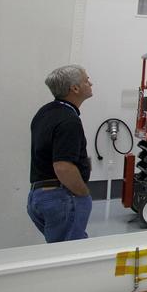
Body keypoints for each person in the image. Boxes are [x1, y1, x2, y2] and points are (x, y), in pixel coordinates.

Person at [28, 65, 95, 242]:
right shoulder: (69, 120)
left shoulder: (45, 112)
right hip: (62, 197)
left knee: (59, 249)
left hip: (38, 196)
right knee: (69, 256)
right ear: (75, 88)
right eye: (86, 80)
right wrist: (83, 194)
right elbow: (63, 167)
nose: (91, 83)